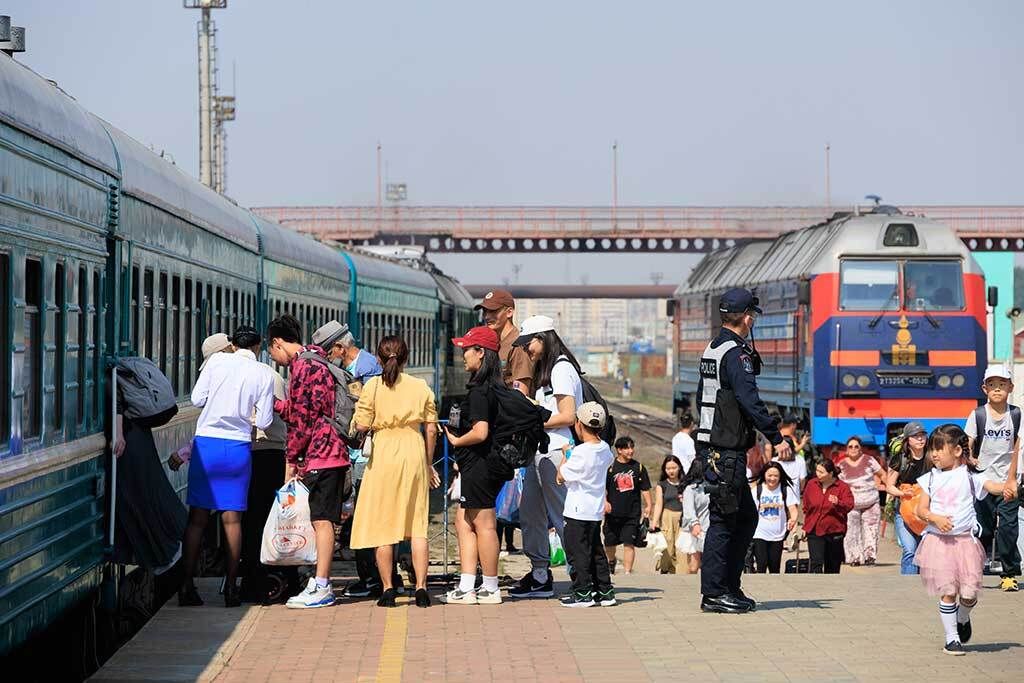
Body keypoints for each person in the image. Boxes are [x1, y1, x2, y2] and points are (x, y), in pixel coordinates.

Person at [695, 288, 791, 613]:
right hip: (725, 451)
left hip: (716, 446)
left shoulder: (713, 348)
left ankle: (729, 586)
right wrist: (776, 438)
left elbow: (702, 399)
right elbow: (750, 401)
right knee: (723, 521)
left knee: (746, 517)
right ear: (748, 318)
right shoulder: (736, 355)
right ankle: (713, 593)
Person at [181, 329, 275, 608]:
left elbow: (197, 400)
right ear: (258, 347)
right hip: (237, 448)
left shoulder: (215, 363)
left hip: (207, 444)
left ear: (232, 345)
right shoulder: (264, 373)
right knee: (232, 520)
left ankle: (186, 587)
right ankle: (232, 589)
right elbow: (267, 421)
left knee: (197, 519)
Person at [268, 314, 351, 610]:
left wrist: (292, 459)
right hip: (331, 451)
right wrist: (278, 405)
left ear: (278, 342)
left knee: (322, 521)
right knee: (322, 519)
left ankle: (323, 584)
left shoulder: (304, 366)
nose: (275, 359)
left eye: (273, 352)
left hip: (322, 453)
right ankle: (319, 580)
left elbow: (303, 418)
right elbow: (300, 409)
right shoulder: (316, 362)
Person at [350, 335, 440, 608]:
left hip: (384, 455)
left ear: (378, 359)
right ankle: (422, 589)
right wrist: (427, 462)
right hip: (413, 451)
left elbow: (362, 425)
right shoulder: (420, 386)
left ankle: (389, 589)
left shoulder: (373, 386)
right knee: (417, 526)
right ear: (406, 358)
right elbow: (432, 428)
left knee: (383, 526)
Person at [311, 321, 397, 599]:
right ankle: (373, 576)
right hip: (356, 452)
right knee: (361, 516)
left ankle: (373, 578)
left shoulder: (367, 368)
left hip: (365, 454)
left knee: (365, 517)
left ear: (340, 347)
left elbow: (368, 411)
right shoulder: (355, 367)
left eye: (330, 350)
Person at [508, 316, 584, 599]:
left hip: (556, 452)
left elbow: (567, 415)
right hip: (540, 451)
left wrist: (533, 415)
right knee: (531, 515)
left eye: (529, 344)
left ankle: (580, 576)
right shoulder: (547, 369)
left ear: (543, 338)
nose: (527, 350)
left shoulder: (562, 369)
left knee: (563, 516)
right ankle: (540, 573)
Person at [914, 424, 996, 656]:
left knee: (969, 595)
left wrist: (1010, 487)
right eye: (933, 449)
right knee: (948, 590)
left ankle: (963, 616)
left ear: (958, 451)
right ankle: (952, 639)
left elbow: (994, 487)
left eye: (939, 448)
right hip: (938, 543)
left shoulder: (971, 478)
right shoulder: (929, 478)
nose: (934, 454)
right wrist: (935, 518)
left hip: (966, 543)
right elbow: (921, 510)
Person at [440, 326, 507, 606]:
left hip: (481, 464)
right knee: (464, 520)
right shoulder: (491, 387)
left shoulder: (480, 391)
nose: (463, 355)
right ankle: (467, 585)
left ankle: (490, 587)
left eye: (467, 349)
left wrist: (457, 440)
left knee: (484, 523)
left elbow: (480, 432)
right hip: (479, 465)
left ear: (481, 353)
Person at [235, 327, 298, 604]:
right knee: (270, 520)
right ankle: (279, 578)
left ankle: (252, 579)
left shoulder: (227, 373)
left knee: (249, 520)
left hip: (246, 450)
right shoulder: (269, 375)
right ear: (259, 347)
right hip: (269, 452)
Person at [964, 365, 1021, 592]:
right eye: (992, 385)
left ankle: (1009, 574)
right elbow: (968, 442)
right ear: (984, 388)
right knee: (983, 530)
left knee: (1008, 528)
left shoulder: (1016, 415)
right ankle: (974, 572)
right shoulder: (978, 414)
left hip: (1008, 481)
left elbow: (1018, 448)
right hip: (983, 482)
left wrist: (1012, 480)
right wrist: (970, 459)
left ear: (1010, 387)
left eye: (1002, 385)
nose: (997, 390)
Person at [556, 402, 617, 607]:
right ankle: (605, 591)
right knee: (596, 551)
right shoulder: (605, 449)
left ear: (579, 425)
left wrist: (566, 455)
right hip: (594, 511)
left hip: (576, 511)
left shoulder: (580, 453)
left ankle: (582, 593)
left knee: (577, 553)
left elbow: (560, 477)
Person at [884, 421, 931, 575]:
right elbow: (889, 486)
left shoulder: (933, 457)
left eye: (922, 435)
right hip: (904, 512)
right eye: (915, 436)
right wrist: (902, 493)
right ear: (907, 440)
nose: (920, 439)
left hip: (928, 512)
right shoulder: (900, 459)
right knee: (910, 550)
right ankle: (908, 586)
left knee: (925, 554)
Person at [603, 436, 652, 575]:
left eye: (632, 447)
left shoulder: (639, 467)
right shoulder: (610, 468)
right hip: (612, 513)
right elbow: (602, 488)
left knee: (629, 543)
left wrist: (648, 505)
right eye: (627, 448)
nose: (631, 451)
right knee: (609, 543)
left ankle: (627, 572)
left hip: (632, 513)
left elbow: (645, 488)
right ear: (619, 450)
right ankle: (611, 562)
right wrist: (604, 502)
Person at [476, 289, 535, 396]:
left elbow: (522, 396)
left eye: (493, 311)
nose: (487, 316)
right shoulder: (493, 344)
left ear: (509, 312)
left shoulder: (517, 345)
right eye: (485, 311)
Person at [802, 459, 854, 574]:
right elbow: (806, 506)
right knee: (816, 562)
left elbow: (849, 505)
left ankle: (831, 589)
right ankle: (816, 588)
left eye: (821, 472)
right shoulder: (811, 484)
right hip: (814, 530)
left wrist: (838, 502)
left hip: (834, 531)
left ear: (830, 474)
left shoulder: (842, 487)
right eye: (817, 471)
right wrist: (805, 527)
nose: (818, 474)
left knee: (832, 565)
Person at [838, 436, 884, 566]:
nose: (853, 449)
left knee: (871, 530)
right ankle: (855, 558)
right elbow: (836, 484)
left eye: (856, 446)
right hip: (851, 505)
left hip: (871, 502)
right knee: (851, 532)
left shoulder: (870, 460)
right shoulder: (840, 465)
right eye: (850, 446)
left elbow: (883, 474)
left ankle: (870, 557)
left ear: (861, 449)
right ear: (846, 449)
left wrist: (888, 488)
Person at [749, 462, 799, 574]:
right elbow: (750, 511)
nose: (772, 478)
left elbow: (793, 509)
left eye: (776, 476)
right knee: (761, 564)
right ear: (764, 475)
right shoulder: (757, 490)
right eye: (769, 475)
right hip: (759, 534)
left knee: (774, 567)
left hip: (778, 535)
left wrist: (793, 520)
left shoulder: (785, 490)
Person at [649, 455, 685, 574]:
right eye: (668, 468)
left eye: (674, 467)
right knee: (667, 545)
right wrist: (654, 523)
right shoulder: (662, 485)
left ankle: (678, 571)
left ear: (679, 467)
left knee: (680, 547)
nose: (671, 471)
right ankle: (665, 568)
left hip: (682, 517)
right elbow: (658, 504)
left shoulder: (685, 483)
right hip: (667, 516)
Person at [679, 461, 711, 574]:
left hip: (708, 527)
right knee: (694, 565)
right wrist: (695, 523)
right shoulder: (690, 489)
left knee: (707, 563)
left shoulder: (709, 486)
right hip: (694, 528)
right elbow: (689, 509)